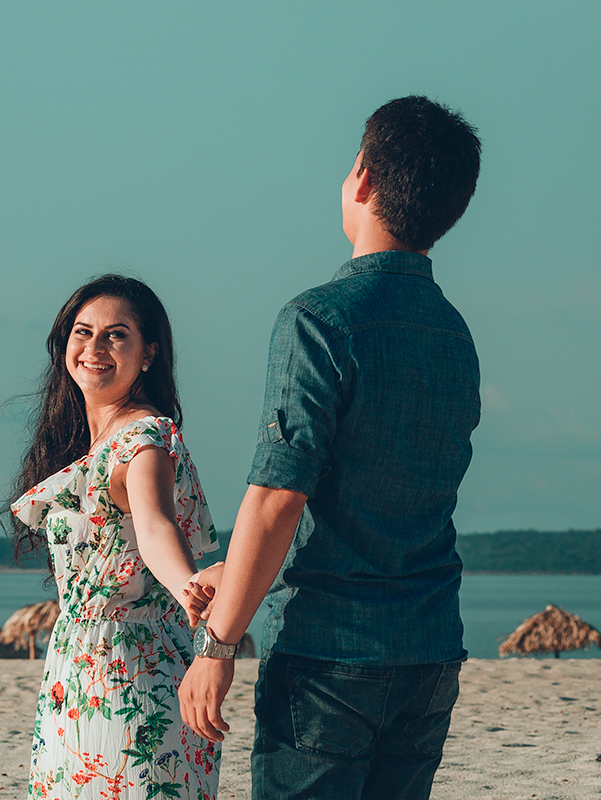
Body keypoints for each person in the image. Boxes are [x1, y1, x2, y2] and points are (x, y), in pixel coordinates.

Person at [179, 96, 483, 800]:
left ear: (363, 179)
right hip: (430, 647)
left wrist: (218, 644)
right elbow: (381, 492)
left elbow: (279, 496)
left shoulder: (318, 319)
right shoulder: (454, 332)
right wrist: (239, 569)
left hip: (329, 653)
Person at [9, 274, 221, 800]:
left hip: (129, 669)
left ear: (148, 353)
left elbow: (155, 524)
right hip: (77, 667)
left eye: (116, 335)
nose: (95, 348)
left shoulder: (143, 439)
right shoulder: (95, 439)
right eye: (83, 332)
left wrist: (187, 586)